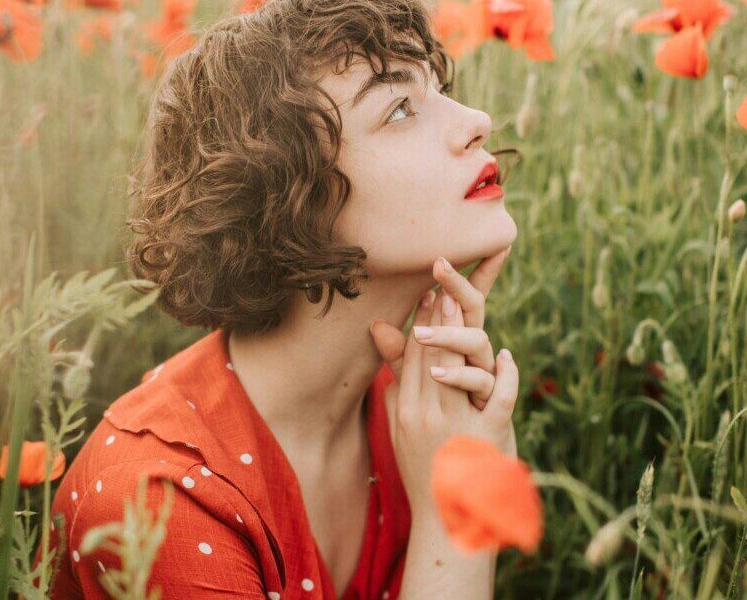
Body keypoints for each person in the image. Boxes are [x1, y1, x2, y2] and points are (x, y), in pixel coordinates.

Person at [34, 0, 520, 598]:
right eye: (398, 109)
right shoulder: (159, 497)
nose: (478, 118)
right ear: (289, 200)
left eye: (440, 89)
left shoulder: (423, 411)